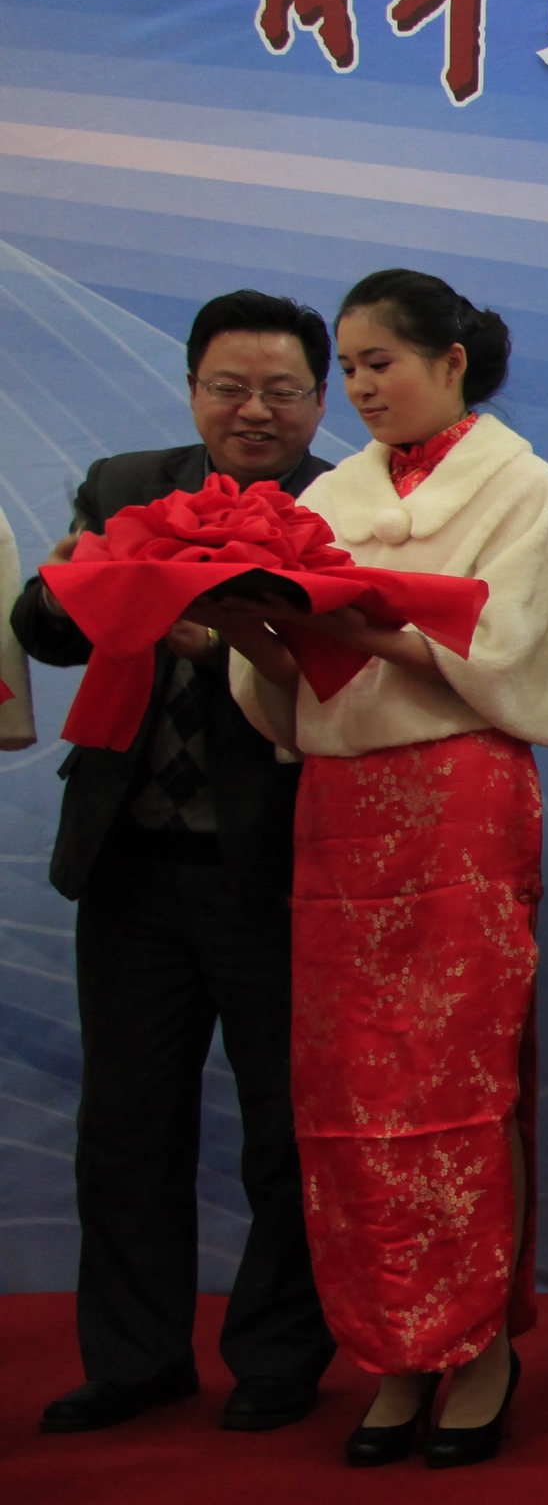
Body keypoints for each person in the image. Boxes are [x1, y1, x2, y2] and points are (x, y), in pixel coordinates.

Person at [220, 270, 548, 1468]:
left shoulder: (522, 485)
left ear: (452, 362)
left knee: (460, 1079)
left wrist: (367, 627)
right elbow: (285, 695)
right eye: (354, 367)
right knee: (351, 1091)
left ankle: (476, 1346)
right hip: (339, 810)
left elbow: (509, 653)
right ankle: (393, 1348)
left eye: (383, 362)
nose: (365, 387)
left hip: (459, 799)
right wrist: (258, 635)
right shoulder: (330, 494)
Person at [8, 292, 337, 1436]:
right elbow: (48, 633)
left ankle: (277, 1357)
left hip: (276, 870)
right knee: (126, 1127)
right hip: (131, 861)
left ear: (321, 401)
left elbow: (351, 679)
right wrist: (66, 589)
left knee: (282, 1131)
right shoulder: (124, 488)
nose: (254, 412)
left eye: (282, 392)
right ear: (192, 388)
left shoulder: (348, 509)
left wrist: (224, 643)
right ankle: (134, 1359)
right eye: (230, 388)